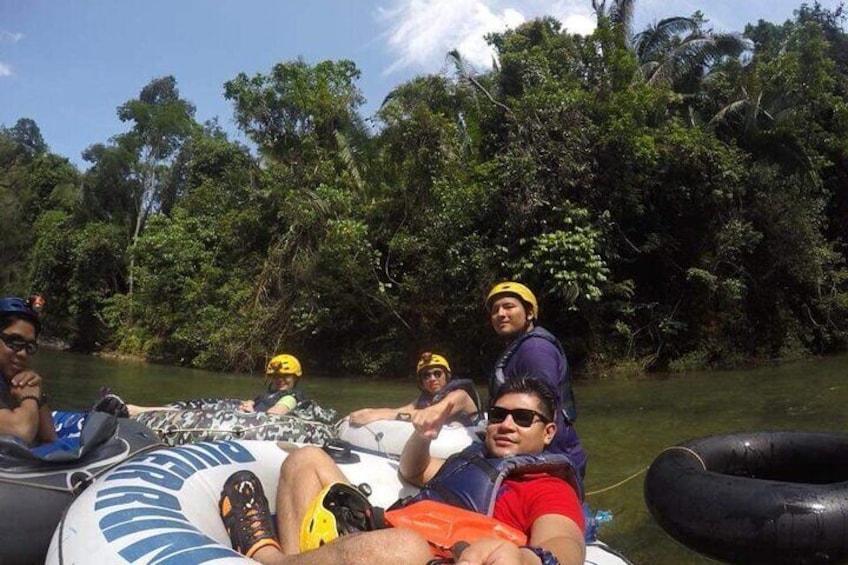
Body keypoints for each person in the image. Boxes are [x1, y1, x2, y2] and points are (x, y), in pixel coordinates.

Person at [217, 375, 586, 565]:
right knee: (306, 459)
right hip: (388, 526)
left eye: (523, 418)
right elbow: (414, 472)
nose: (507, 424)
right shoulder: (474, 458)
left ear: (548, 431)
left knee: (405, 548)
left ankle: (269, 559)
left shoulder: (547, 485)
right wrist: (424, 437)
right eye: (499, 415)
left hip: (432, 556)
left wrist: (526, 558)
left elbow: (565, 543)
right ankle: (300, 558)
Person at [486, 281, 587, 475]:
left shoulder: (535, 350)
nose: (500, 314)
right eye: (495, 310)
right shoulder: (518, 347)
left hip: (551, 458)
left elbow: (541, 408)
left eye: (508, 306)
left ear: (529, 313)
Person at [98, 353, 310, 418]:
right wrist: (250, 405)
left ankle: (130, 410)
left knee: (196, 413)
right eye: (276, 376)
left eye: (286, 376)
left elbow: (274, 415)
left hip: (246, 424)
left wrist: (253, 410)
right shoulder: (272, 393)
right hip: (240, 416)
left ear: (296, 377)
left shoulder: (292, 397)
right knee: (190, 407)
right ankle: (130, 408)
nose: (280, 379)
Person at [347, 352, 480, 428]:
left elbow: (431, 415)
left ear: (447, 376)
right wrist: (370, 411)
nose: (432, 379)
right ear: (421, 382)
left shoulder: (460, 395)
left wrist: (379, 415)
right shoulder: (426, 399)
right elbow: (399, 411)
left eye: (437, 373)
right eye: (426, 375)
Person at [0, 296, 57, 446]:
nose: (23, 354)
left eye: (29, 347)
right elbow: (21, 433)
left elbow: (50, 436)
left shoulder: (12, 378)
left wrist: (36, 390)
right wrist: (30, 397)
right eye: (14, 342)